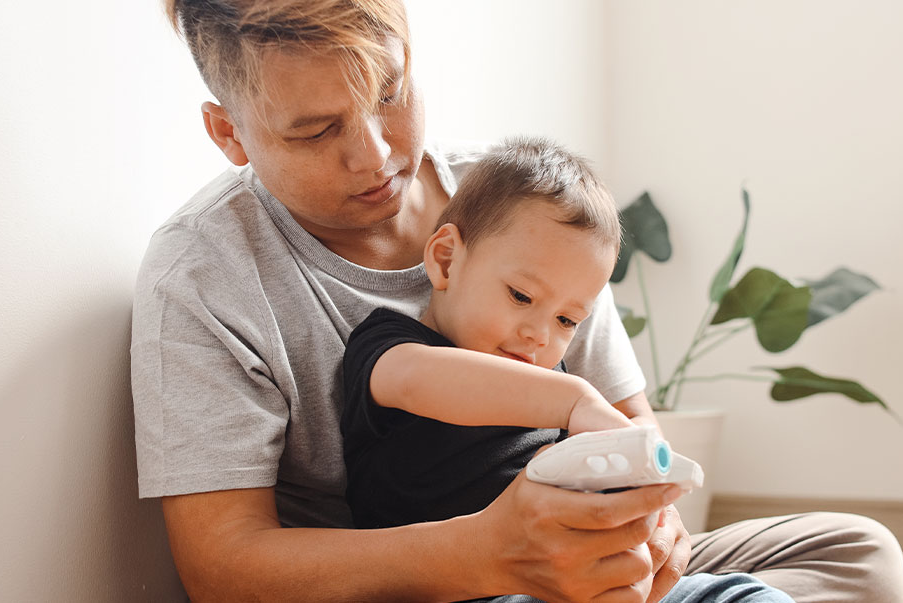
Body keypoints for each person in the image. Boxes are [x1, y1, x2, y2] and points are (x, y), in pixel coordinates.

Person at [131, 0, 903, 601]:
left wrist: (653, 523)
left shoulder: (515, 211)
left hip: (580, 554)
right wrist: (492, 551)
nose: (375, 153)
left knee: (858, 554)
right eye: (314, 130)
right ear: (229, 133)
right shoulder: (204, 274)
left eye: (391, 92)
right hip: (413, 579)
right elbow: (223, 569)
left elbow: (629, 420)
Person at [340, 138, 796, 603]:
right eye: (521, 296)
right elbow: (422, 379)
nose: (541, 335)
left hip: (578, 574)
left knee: (747, 596)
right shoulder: (390, 347)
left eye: (566, 320)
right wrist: (574, 400)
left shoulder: (551, 372)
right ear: (446, 260)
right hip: (466, 591)